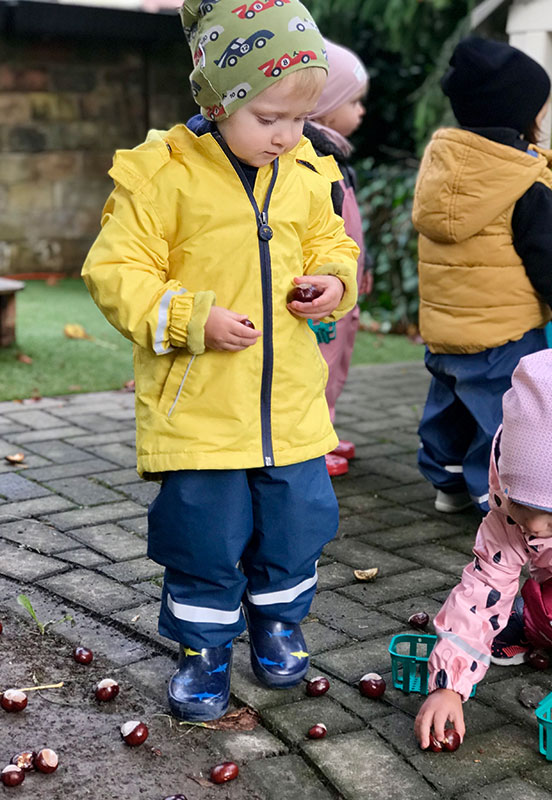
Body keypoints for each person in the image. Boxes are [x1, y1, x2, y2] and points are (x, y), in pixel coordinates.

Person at [82, 0, 359, 723]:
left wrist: (331, 281)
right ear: (214, 97)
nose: (286, 134)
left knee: (298, 525)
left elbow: (333, 243)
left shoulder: (305, 167)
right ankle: (203, 650)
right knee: (203, 537)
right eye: (268, 117)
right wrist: (191, 319)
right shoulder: (162, 175)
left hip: (291, 407)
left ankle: (276, 623)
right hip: (200, 410)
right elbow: (116, 274)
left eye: (299, 119)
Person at [412, 37, 552, 517]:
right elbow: (549, 258)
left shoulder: (442, 165)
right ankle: (493, 499)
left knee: (449, 405)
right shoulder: (525, 180)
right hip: (503, 331)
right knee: (504, 419)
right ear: (524, 115)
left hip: (445, 326)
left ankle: (445, 483)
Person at [414, 348, 552, 749]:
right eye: (522, 504)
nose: (534, 526)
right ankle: (530, 619)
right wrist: (449, 684)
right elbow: (480, 593)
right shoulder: (508, 517)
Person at [303, 39, 372, 477]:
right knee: (319, 366)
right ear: (327, 108)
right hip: (320, 289)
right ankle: (309, 443)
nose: (362, 111)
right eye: (356, 101)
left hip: (341, 283)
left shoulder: (336, 154)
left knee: (338, 359)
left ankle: (322, 429)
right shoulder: (313, 155)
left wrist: (356, 275)